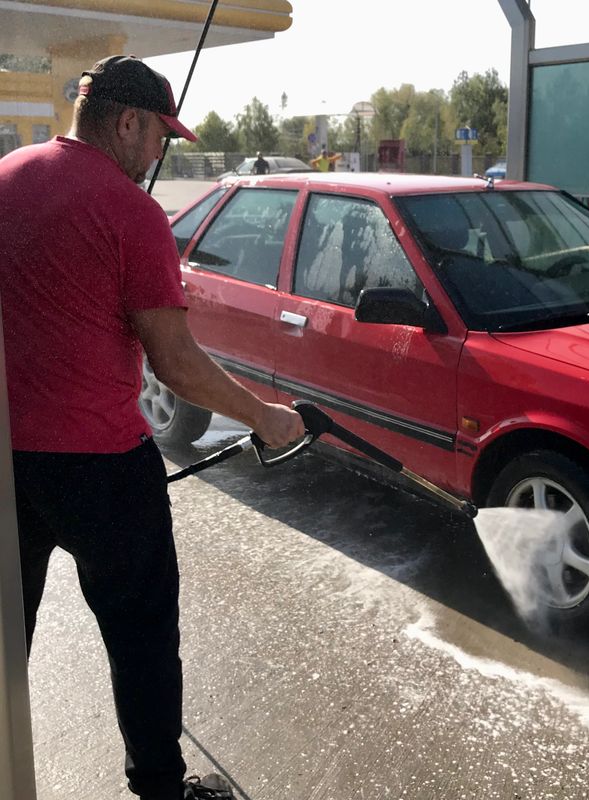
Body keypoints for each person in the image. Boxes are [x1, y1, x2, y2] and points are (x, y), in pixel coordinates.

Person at [0, 55, 305, 800]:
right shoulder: (133, 215)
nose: (158, 156)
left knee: (9, 639)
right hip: (102, 469)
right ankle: (161, 790)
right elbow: (175, 362)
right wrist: (266, 418)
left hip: (8, 460)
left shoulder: (4, 178)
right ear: (127, 121)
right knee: (141, 640)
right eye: (159, 138)